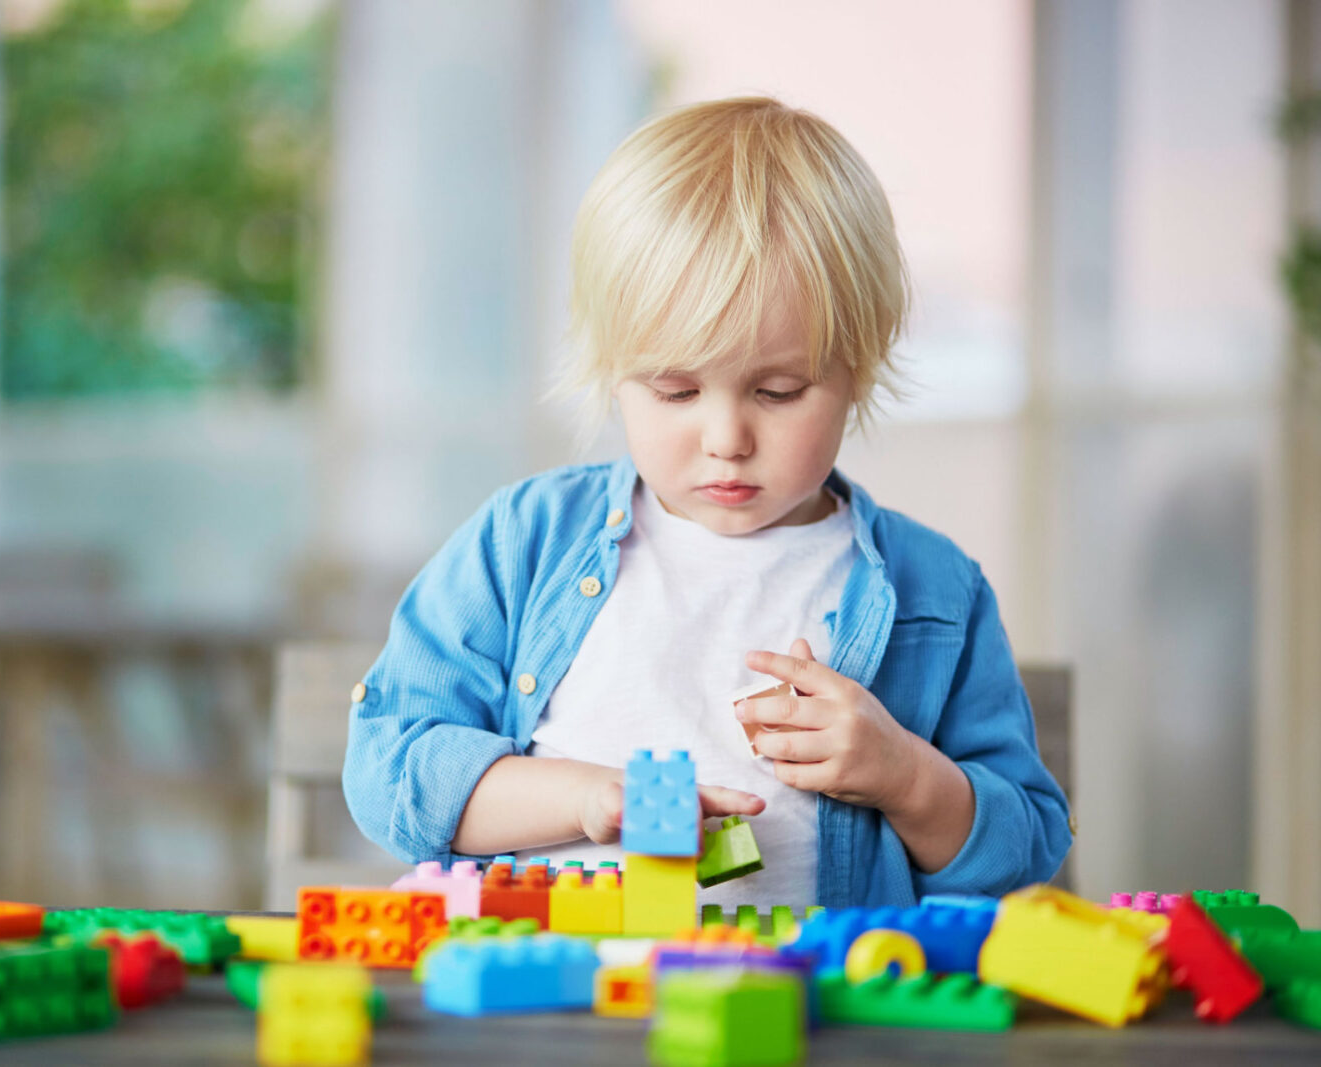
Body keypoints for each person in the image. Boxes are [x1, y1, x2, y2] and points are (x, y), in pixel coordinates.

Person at [341, 96, 1071, 908]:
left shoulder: (935, 591)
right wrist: (587, 798)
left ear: (857, 370)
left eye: (779, 390)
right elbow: (392, 766)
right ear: (613, 367)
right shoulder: (527, 541)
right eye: (675, 389)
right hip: (551, 1005)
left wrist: (904, 775)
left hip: (817, 1012)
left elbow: (1023, 852)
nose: (726, 435)